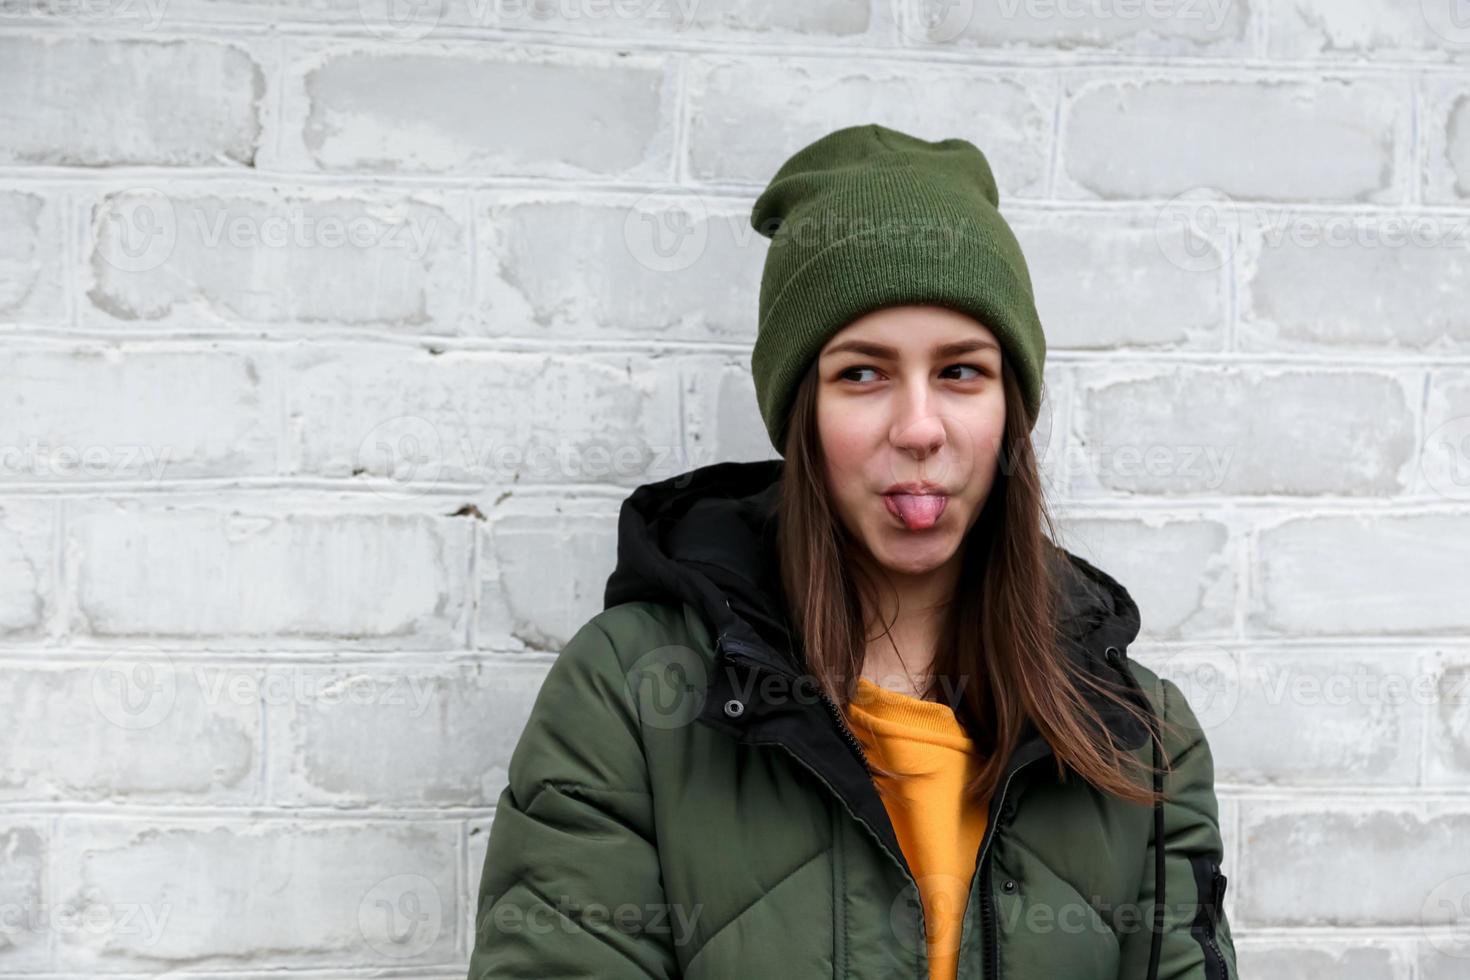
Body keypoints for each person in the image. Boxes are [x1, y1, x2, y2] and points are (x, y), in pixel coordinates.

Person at [466, 123, 1238, 980]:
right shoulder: (633, 698)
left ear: (1010, 410)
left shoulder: (1139, 737)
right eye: (862, 374)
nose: (917, 428)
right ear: (803, 412)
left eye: (962, 371)